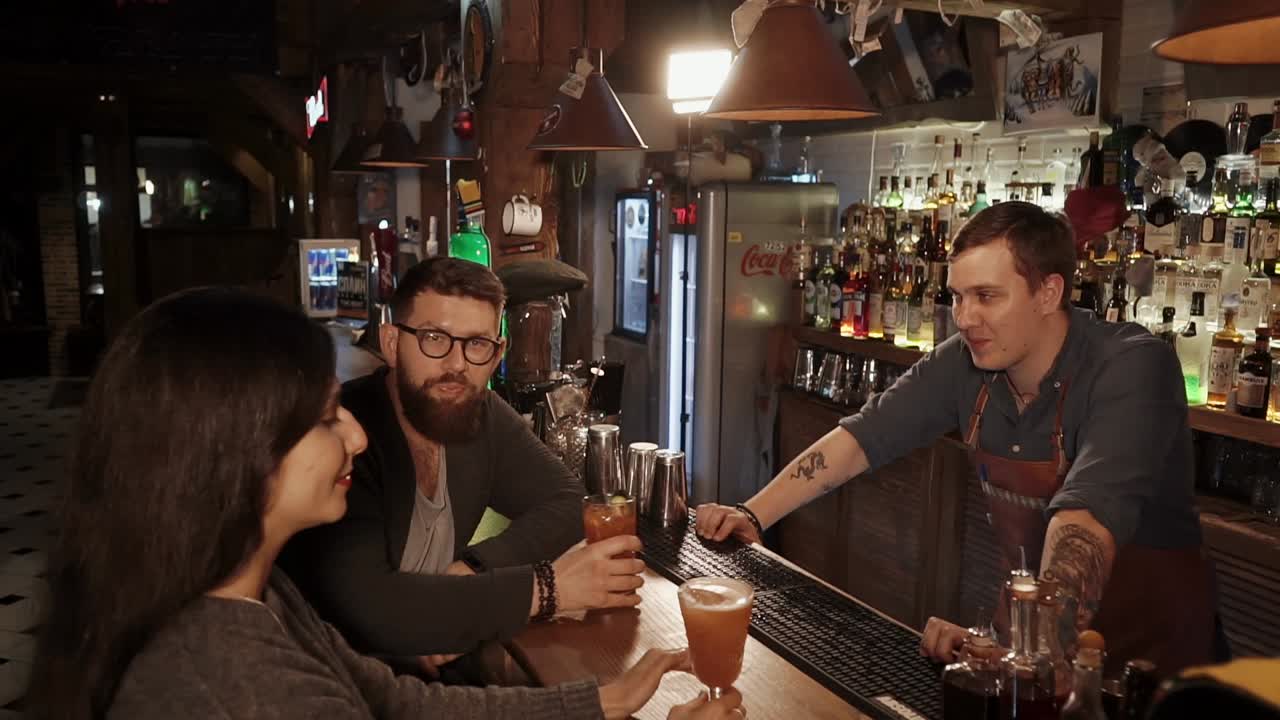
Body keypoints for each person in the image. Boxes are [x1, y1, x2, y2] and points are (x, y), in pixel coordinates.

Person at [27, 287, 744, 720]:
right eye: (325, 417)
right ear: (232, 453)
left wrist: (602, 702)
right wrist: (546, 588)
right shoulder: (235, 685)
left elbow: (404, 705)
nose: (356, 435)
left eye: (477, 345)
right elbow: (380, 621)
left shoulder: (251, 594)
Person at [697, 202, 1219, 676]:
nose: (966, 318)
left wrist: (1021, 649)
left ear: (1048, 292)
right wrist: (754, 513)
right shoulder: (969, 361)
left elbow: (1084, 522)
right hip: (1030, 656)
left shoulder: (1130, 367)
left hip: (1156, 678)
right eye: (958, 297)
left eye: (987, 297)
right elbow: (860, 440)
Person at [281, 258, 641, 677]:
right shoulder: (347, 438)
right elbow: (368, 608)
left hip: (433, 679)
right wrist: (547, 590)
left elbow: (566, 502)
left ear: (497, 353)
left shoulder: (479, 412)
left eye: (476, 344)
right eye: (435, 338)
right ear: (392, 343)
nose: (456, 364)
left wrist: (472, 569)